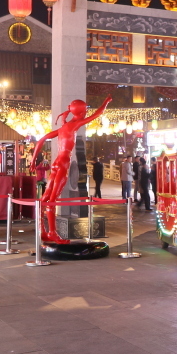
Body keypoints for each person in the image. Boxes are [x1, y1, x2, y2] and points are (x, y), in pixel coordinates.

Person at [32, 97, 110, 244]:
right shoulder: (75, 125)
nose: (87, 112)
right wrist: (106, 102)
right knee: (52, 200)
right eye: (86, 109)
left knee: (45, 198)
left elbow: (41, 140)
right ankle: (53, 233)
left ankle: (42, 230)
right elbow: (97, 114)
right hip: (63, 164)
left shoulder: (63, 128)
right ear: (83, 111)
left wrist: (33, 159)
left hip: (56, 162)